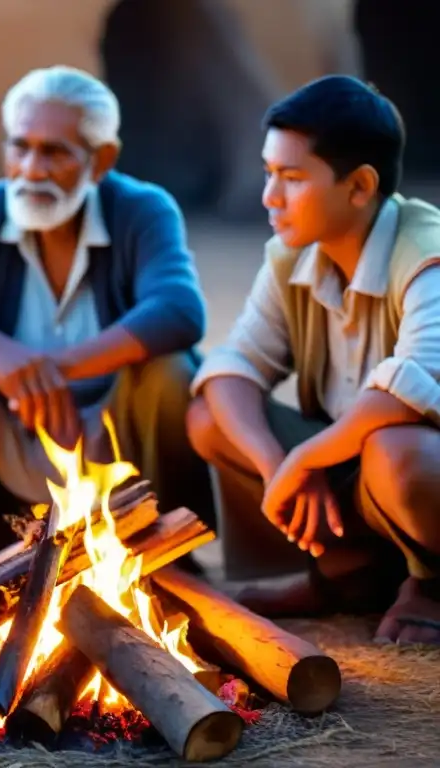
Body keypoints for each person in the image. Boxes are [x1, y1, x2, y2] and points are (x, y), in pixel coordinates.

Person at [0, 65, 214, 576]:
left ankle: (159, 536)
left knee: (170, 370)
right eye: (20, 147)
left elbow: (178, 309)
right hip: (17, 427)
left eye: (55, 152)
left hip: (117, 439)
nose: (32, 168)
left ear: (101, 160)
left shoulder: (143, 210)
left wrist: (56, 368)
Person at [187, 75, 440, 645]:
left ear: (359, 187)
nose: (269, 196)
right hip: (353, 480)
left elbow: (411, 388)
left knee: (397, 448)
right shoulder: (292, 255)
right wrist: (278, 462)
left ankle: (431, 587)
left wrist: (305, 459)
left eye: (292, 178)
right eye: (269, 172)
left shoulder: (428, 257)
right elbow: (234, 367)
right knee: (213, 417)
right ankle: (345, 576)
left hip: (414, 470)